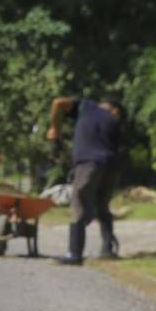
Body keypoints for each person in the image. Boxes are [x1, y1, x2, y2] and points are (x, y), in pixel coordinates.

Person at [46, 93, 125, 265]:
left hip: (88, 164)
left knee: (79, 202)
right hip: (110, 166)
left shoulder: (87, 106)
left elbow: (58, 102)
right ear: (114, 109)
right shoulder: (114, 122)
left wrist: (54, 128)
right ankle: (107, 250)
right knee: (103, 206)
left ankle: (74, 253)